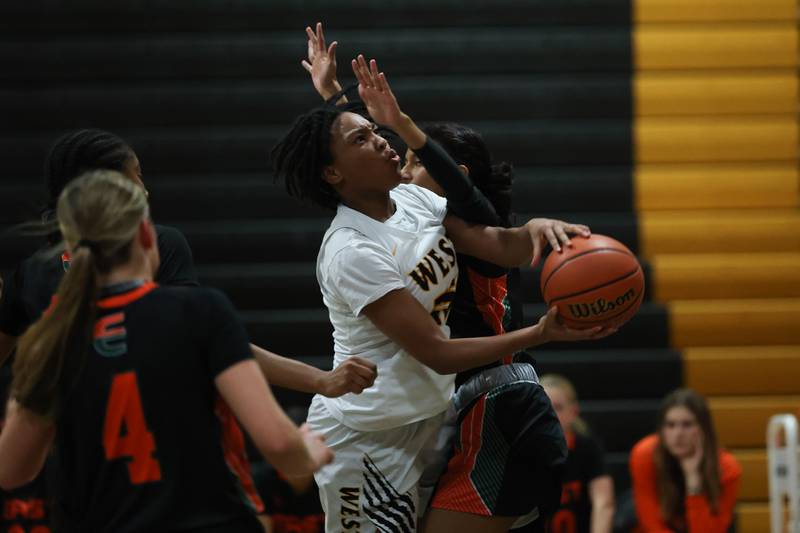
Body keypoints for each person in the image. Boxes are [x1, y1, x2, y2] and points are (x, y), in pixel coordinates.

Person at [271, 49, 615, 533]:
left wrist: (537, 232)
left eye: (377, 131)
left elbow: (494, 243)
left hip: (430, 419)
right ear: (333, 174)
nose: (384, 141)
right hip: (367, 435)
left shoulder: (412, 199)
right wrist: (539, 334)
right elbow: (436, 352)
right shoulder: (351, 252)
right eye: (364, 138)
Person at [0, 129, 374, 531]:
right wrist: (310, 451)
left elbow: (11, 470)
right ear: (146, 235)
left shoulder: (49, 337)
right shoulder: (196, 310)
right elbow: (280, 444)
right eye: (137, 176)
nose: (145, 189)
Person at [629, 388, 741, 533]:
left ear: (703, 429)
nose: (678, 434)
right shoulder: (644, 454)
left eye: (687, 424)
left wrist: (693, 481)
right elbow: (651, 524)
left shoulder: (727, 467)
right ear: (661, 429)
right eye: (670, 425)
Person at [531, 374, 615, 533]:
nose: (550, 413)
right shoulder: (522, 450)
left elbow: (604, 504)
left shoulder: (587, 447)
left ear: (574, 412)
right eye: (543, 406)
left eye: (558, 407)